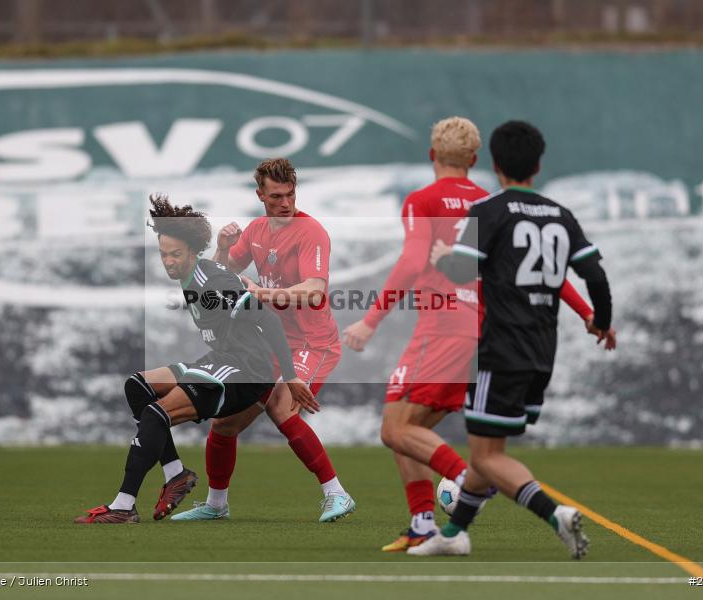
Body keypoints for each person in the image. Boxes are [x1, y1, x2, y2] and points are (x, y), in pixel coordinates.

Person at [342, 117, 606, 552]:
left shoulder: (422, 200)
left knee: (394, 429)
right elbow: (548, 275)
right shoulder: (492, 203)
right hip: (480, 335)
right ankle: (424, 523)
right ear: (474, 159)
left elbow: (411, 263)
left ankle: (469, 484)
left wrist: (370, 320)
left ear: (431, 156)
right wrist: (587, 312)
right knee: (409, 428)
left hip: (442, 326)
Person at [412, 120, 614, 558]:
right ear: (538, 165)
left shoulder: (488, 210)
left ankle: (554, 514)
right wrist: (601, 319)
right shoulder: (561, 214)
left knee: (486, 458)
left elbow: (463, 272)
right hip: (543, 351)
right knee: (489, 448)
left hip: (500, 348)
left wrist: (446, 257)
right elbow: (594, 273)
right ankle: (453, 534)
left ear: (494, 164)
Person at [74, 195, 316, 524]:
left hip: (245, 370)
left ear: (191, 252)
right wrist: (221, 251)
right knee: (138, 387)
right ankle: (175, 474)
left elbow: (268, 319)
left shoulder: (209, 282)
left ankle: (123, 506)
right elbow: (217, 274)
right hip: (221, 360)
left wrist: (290, 376)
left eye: (175, 254)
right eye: (163, 255)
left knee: (158, 414)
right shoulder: (194, 274)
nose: (168, 262)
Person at [171, 158, 355, 523]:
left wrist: (263, 295)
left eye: (290, 194)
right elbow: (222, 276)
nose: (285, 203)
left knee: (280, 408)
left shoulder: (311, 232)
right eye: (276, 196)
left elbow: (314, 291)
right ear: (260, 195)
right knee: (226, 421)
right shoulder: (256, 230)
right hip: (270, 342)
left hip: (312, 343)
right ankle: (216, 505)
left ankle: (337, 494)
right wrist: (223, 247)